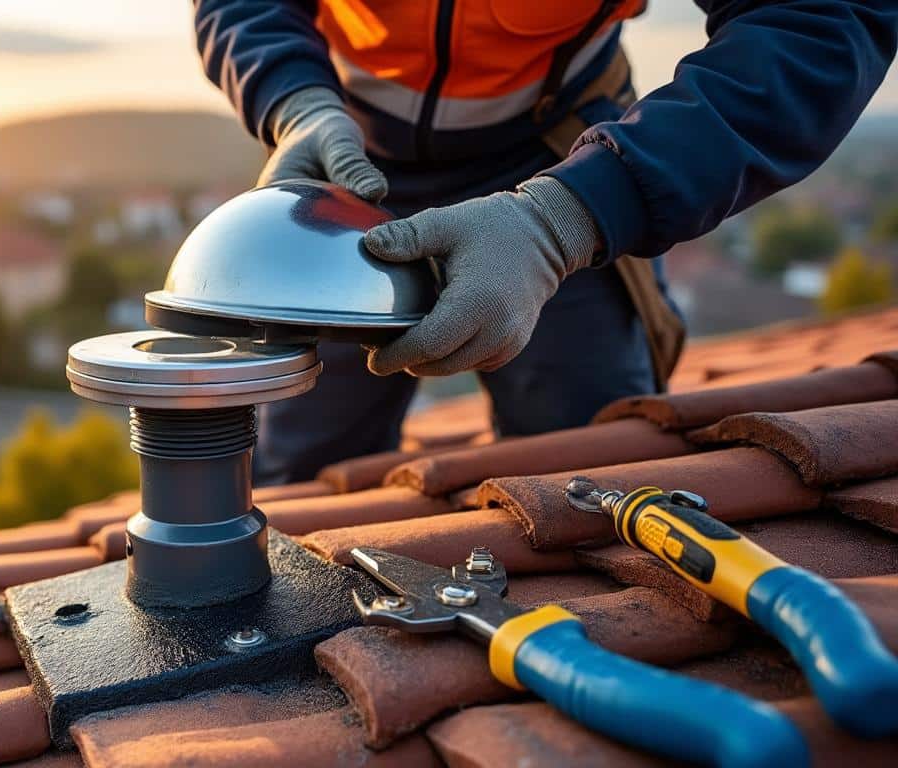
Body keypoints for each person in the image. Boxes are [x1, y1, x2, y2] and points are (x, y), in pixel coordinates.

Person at [193, 0, 897, 484]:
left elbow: (817, 19)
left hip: (563, 168)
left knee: (588, 473)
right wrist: (294, 101)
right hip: (350, 168)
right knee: (297, 481)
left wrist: (573, 214)